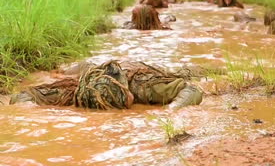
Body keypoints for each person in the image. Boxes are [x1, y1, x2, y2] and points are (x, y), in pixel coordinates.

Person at [10, 61, 204, 110]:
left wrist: (174, 109)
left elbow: (192, 89)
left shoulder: (142, 87)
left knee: (188, 71)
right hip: (93, 70)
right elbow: (21, 96)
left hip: (140, 68)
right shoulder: (79, 92)